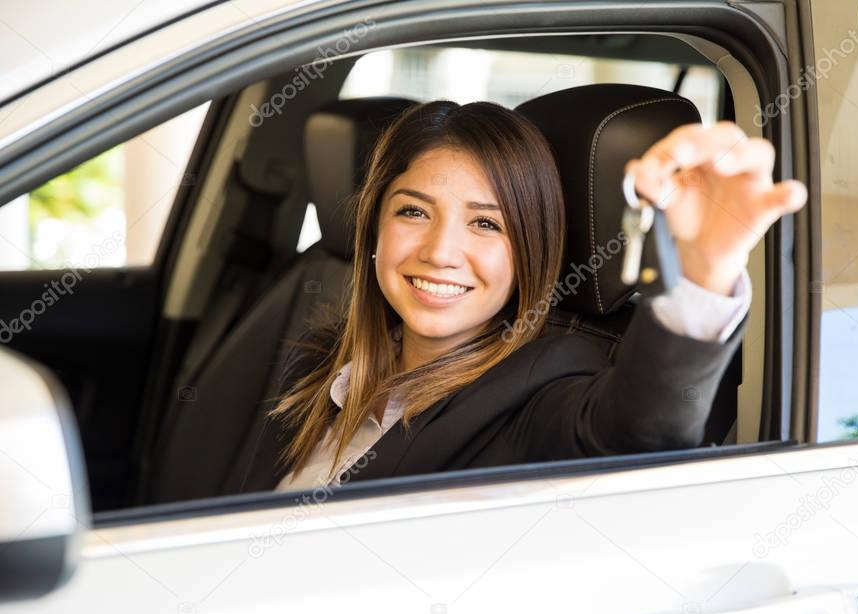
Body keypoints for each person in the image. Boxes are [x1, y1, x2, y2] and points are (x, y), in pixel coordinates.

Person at [268, 99, 807, 491]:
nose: (441, 251)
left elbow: (638, 434)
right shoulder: (320, 364)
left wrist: (700, 270)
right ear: (373, 231)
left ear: (530, 251)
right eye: (413, 211)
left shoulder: (541, 393)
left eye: (485, 224)